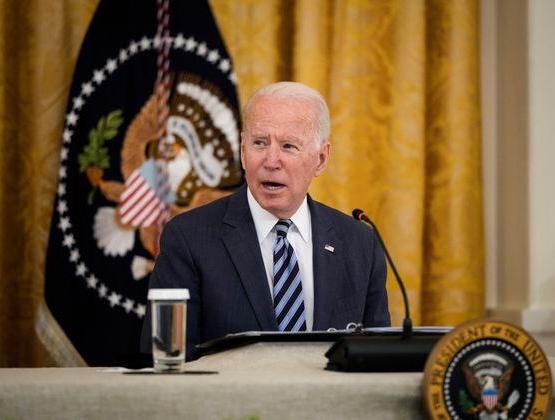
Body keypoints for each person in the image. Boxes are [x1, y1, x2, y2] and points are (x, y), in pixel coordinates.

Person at [141, 81, 390, 361]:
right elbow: (165, 360)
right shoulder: (188, 238)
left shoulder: (360, 243)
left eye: (288, 146)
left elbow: (377, 359)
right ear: (243, 150)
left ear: (321, 158)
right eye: (260, 143)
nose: (271, 161)